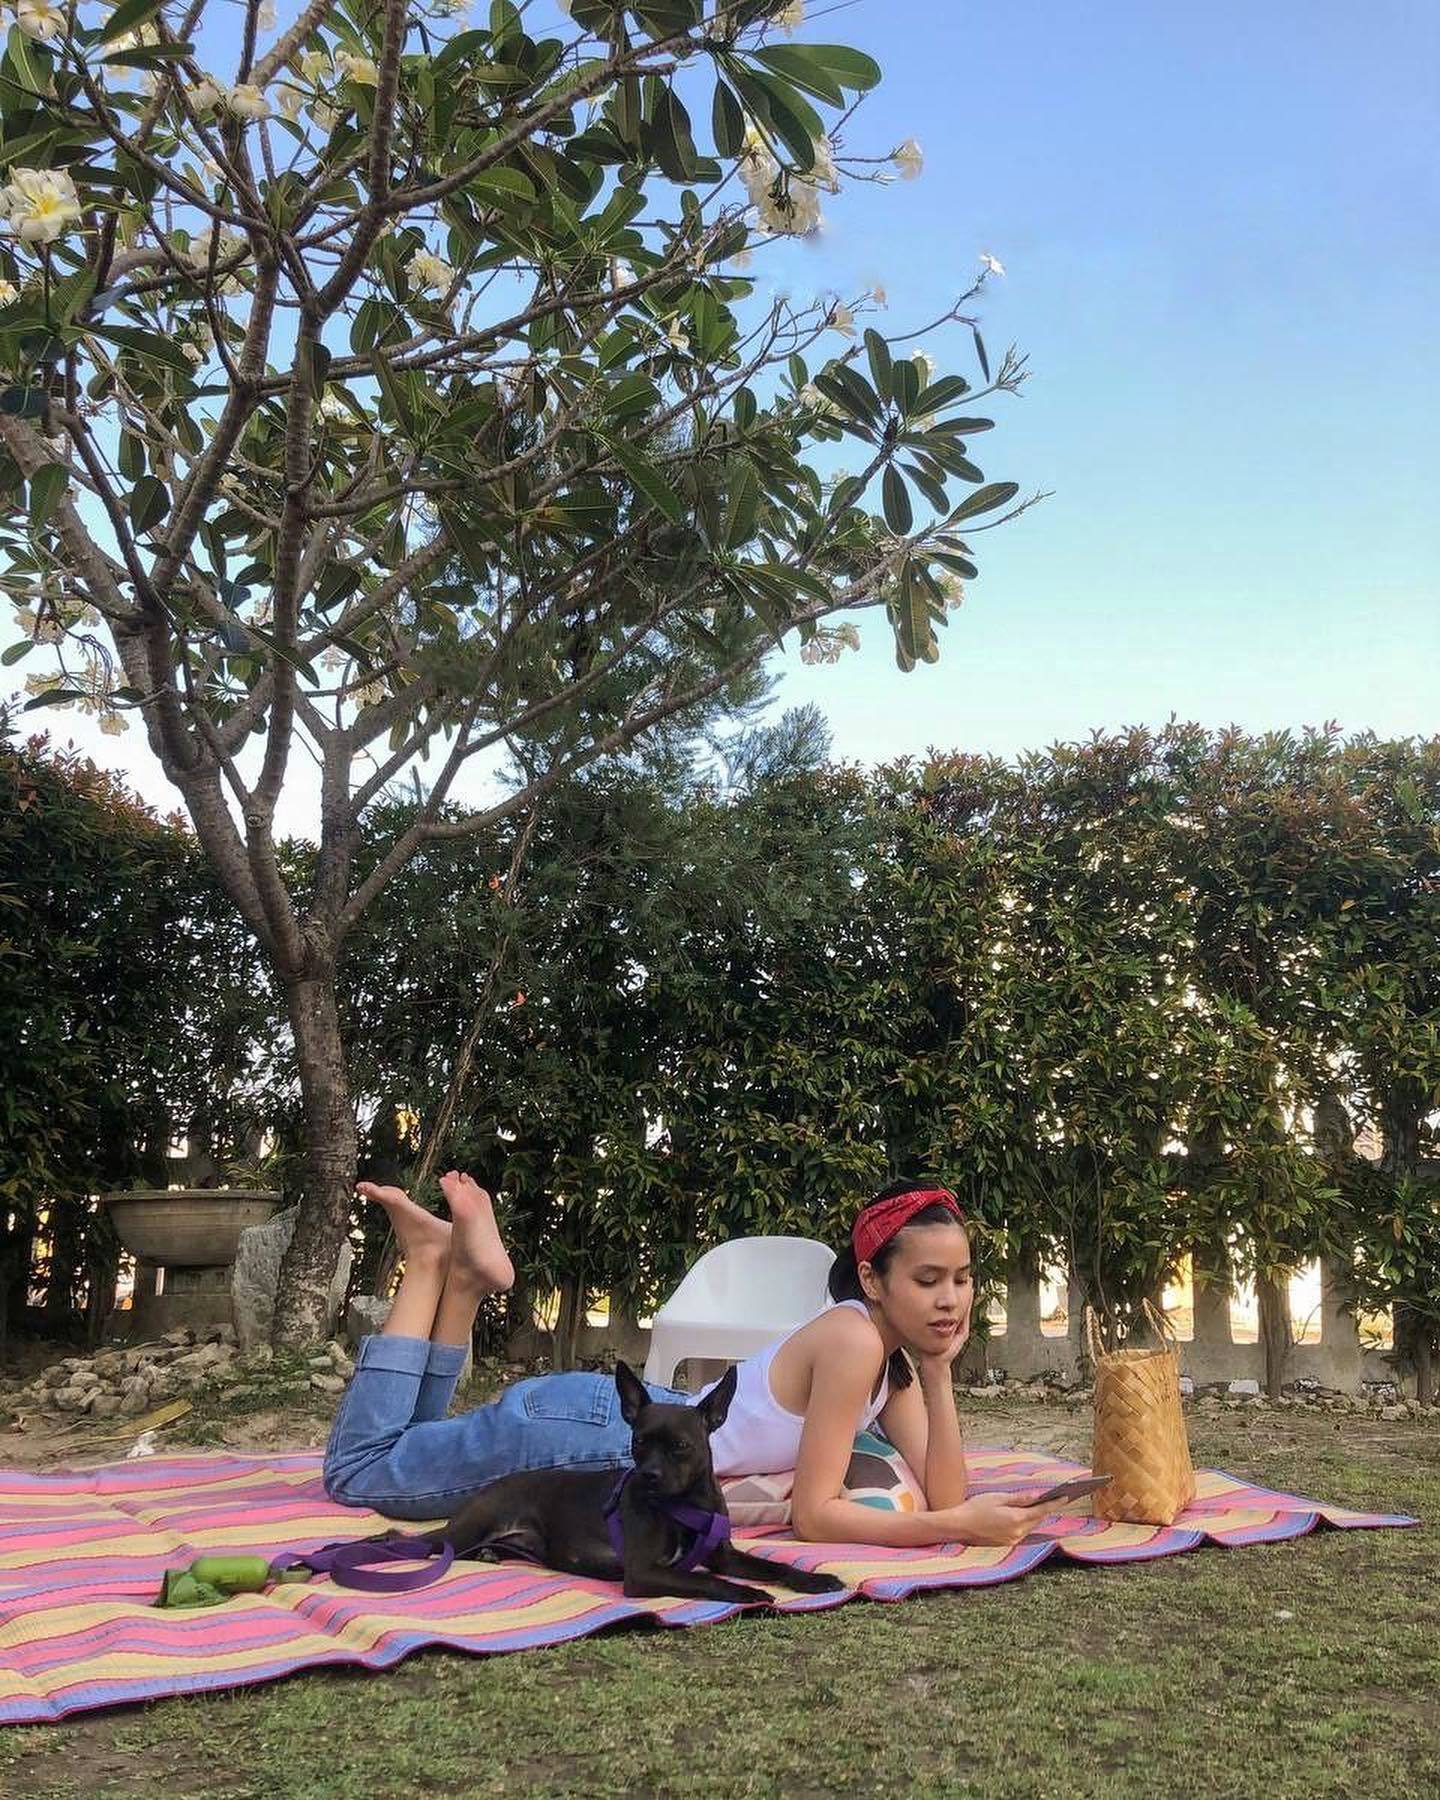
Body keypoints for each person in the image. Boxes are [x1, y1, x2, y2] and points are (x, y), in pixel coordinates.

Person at [322, 1172, 1057, 1548]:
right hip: (598, 1443)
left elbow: (946, 1492)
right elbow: (816, 1517)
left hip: (624, 1430)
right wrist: (955, 1530)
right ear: (872, 1280)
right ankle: (430, 1264)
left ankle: (459, 1283)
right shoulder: (854, 1340)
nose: (950, 1299)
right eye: (928, 1280)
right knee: (360, 1471)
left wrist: (938, 1371)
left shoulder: (890, 1361)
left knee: (410, 1446)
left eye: (961, 1279)